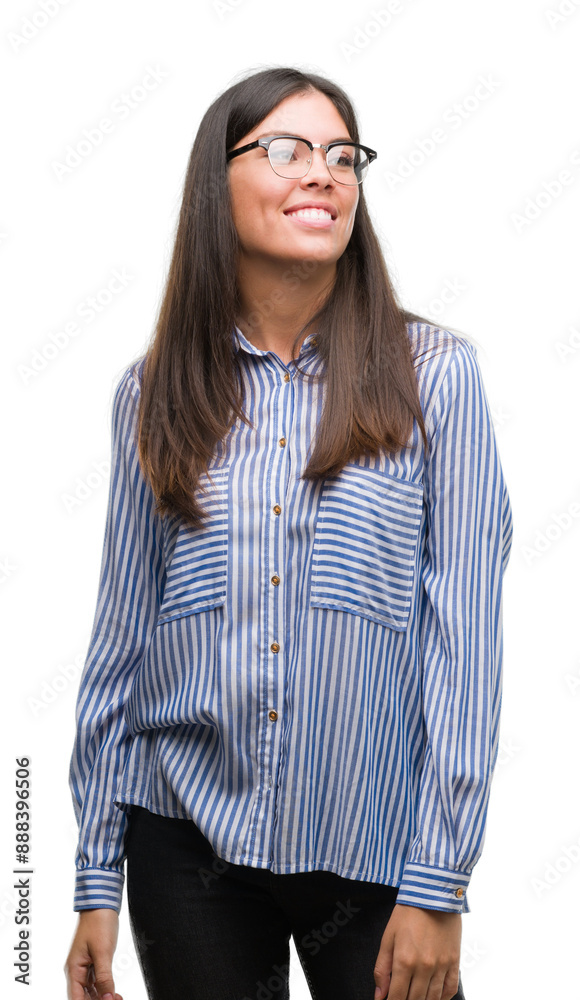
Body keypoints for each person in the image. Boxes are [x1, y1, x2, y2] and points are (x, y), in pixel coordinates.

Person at [64, 65, 513, 1000]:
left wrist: (441, 882)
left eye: (343, 155)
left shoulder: (438, 379)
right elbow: (122, 640)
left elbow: (463, 644)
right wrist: (94, 878)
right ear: (213, 187)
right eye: (287, 149)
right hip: (187, 849)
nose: (324, 172)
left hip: (379, 851)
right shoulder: (151, 396)